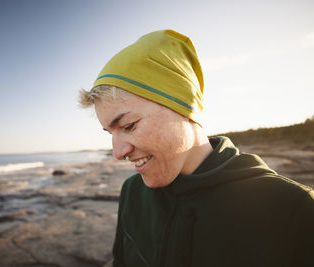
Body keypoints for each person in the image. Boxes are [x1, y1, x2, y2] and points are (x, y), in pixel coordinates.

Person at [78, 29, 314, 267]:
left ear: (184, 106)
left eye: (129, 126)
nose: (118, 152)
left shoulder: (295, 209)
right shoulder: (132, 193)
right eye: (111, 133)